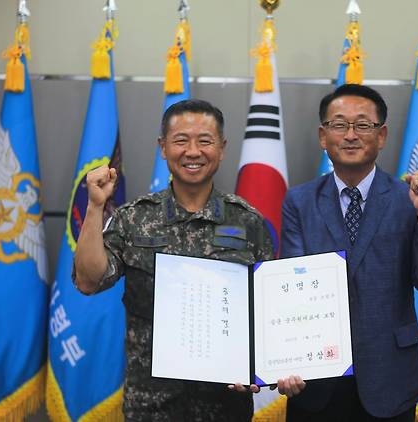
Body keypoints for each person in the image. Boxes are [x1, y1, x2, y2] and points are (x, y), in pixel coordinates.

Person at [73, 99, 292, 421]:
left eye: (204, 141)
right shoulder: (133, 218)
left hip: (226, 407)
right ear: (163, 148)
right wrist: (95, 207)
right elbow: (89, 280)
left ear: (222, 148)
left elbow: (266, 312)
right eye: (180, 141)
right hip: (151, 405)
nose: (193, 151)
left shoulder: (249, 222)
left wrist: (265, 367)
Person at [280, 84, 418, 421]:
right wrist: (285, 359)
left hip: (391, 377)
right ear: (322, 135)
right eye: (338, 125)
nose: (350, 135)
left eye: (362, 125)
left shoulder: (412, 199)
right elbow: (290, 291)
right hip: (316, 381)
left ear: (382, 135)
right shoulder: (299, 202)